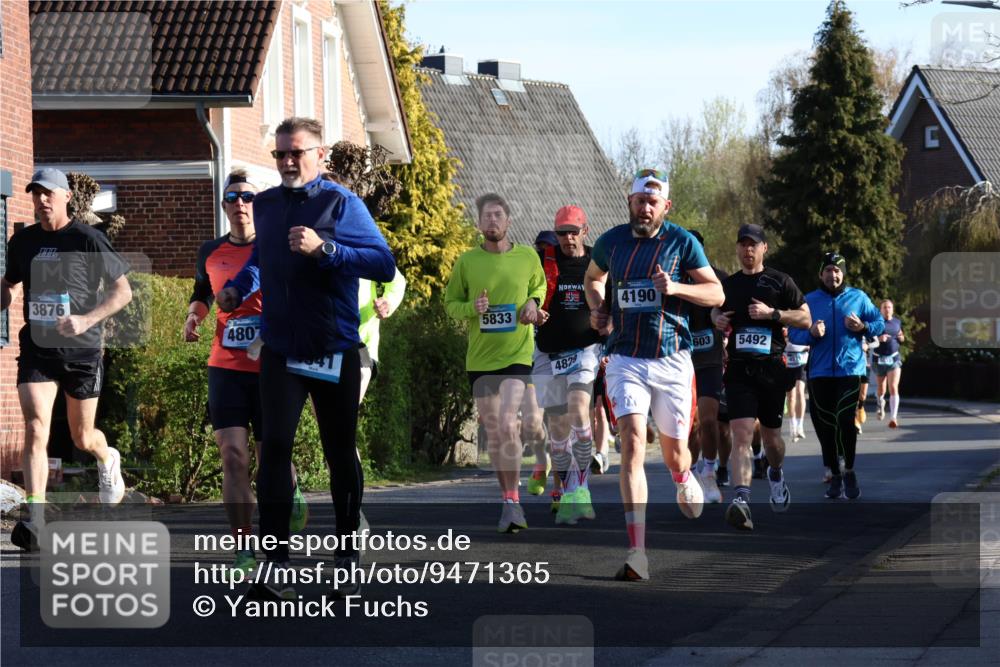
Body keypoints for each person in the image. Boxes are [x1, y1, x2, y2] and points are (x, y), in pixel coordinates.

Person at [216, 117, 396, 600]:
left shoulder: (342, 202)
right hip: (281, 348)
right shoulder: (267, 205)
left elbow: (383, 262)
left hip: (334, 347)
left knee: (340, 451)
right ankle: (274, 562)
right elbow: (261, 260)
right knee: (274, 446)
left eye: (296, 153)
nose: (287, 162)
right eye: (280, 154)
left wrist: (327, 249)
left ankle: (346, 556)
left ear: (320, 156)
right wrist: (238, 287)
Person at [584, 167, 724, 581]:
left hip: (671, 360)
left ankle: (683, 474)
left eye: (653, 201)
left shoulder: (682, 242)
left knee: (674, 453)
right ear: (629, 202)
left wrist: (677, 289)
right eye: (639, 200)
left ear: (666, 206)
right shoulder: (612, 242)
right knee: (630, 441)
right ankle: (637, 551)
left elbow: (716, 293)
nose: (645, 208)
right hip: (625, 357)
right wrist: (597, 306)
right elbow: (594, 277)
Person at [184, 170, 308, 573]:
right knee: (233, 456)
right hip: (226, 367)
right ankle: (243, 548)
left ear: (259, 203)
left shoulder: (276, 248)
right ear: (223, 205)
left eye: (248, 197)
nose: (240, 204)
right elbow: (202, 291)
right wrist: (193, 316)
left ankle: (292, 491)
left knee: (270, 456)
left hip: (271, 366)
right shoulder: (211, 250)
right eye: (232, 197)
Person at [2, 167, 132, 551]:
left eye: (48, 194)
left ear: (64, 198)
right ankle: (36, 518)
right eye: (35, 194)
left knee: (82, 436)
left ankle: (106, 458)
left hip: (82, 350)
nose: (41, 200)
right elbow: (9, 285)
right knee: (36, 427)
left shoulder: (88, 239)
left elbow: (122, 292)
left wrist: (86, 319)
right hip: (38, 349)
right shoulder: (22, 242)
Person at [444, 192, 546, 534]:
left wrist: (532, 304)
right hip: (481, 359)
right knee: (496, 430)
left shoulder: (527, 257)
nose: (492, 221)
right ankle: (509, 500)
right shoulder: (467, 262)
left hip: (517, 355)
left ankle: (514, 503)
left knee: (507, 423)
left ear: (508, 221)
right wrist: (472, 308)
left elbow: (539, 287)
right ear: (478, 223)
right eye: (486, 216)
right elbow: (450, 304)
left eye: (497, 215)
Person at [711, 224, 811, 531]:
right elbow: (714, 313)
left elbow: (805, 318)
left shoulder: (780, 281)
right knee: (741, 434)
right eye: (742, 244)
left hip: (771, 370)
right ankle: (741, 500)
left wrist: (773, 314)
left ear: (764, 248)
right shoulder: (729, 285)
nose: (747, 250)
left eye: (753, 244)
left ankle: (776, 473)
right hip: (740, 369)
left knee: (771, 439)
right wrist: (717, 319)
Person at [789, 253, 883, 500]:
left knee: (845, 420)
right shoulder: (809, 301)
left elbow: (879, 323)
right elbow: (792, 333)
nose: (833, 275)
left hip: (850, 370)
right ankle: (835, 474)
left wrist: (863, 328)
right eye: (828, 270)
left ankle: (849, 470)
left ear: (843, 273)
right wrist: (810, 333)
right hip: (819, 373)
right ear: (821, 274)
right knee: (826, 426)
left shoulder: (858, 298)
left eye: (837, 270)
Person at [532, 205, 603, 525]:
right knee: (558, 433)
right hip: (548, 353)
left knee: (578, 409)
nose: (567, 238)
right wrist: (530, 308)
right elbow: (525, 293)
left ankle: (583, 486)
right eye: (562, 233)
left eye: (573, 232)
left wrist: (610, 326)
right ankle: (567, 484)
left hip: (584, 351)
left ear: (585, 231)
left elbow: (611, 302)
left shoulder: (597, 262)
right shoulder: (542, 260)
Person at [685, 229, 728, 504]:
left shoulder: (719, 278)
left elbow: (729, 309)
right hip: (680, 362)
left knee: (710, 421)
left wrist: (720, 318)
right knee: (689, 428)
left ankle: (710, 472)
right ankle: (688, 475)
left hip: (711, 358)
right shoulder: (672, 280)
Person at [357, 268, 407, 402]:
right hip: (320, 339)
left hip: (361, 342)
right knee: (325, 415)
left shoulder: (367, 248)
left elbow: (397, 281)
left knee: (346, 409)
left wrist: (388, 302)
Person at [874, 299, 904, 429]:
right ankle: (880, 403)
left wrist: (901, 338)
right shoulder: (876, 323)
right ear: (880, 310)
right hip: (879, 358)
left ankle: (893, 417)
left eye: (889, 307)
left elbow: (901, 336)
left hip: (894, 358)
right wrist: (879, 339)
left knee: (893, 387)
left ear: (892, 309)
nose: (887, 309)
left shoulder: (897, 322)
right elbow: (870, 339)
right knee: (881, 388)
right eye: (885, 307)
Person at [784, 329, 809, 442]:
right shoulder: (784, 324)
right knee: (791, 396)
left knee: (800, 391)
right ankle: (792, 426)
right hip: (788, 363)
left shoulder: (803, 323)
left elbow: (810, 341)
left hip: (801, 362)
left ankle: (800, 426)